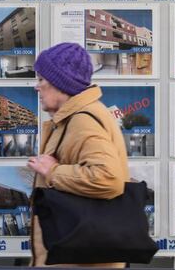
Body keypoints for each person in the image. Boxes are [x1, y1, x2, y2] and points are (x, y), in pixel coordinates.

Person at [27, 42, 129, 268]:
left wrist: (52, 171)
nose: (36, 87)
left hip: (80, 261)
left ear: (61, 84)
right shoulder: (75, 117)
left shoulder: (82, 120)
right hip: (77, 257)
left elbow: (108, 178)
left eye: (42, 80)